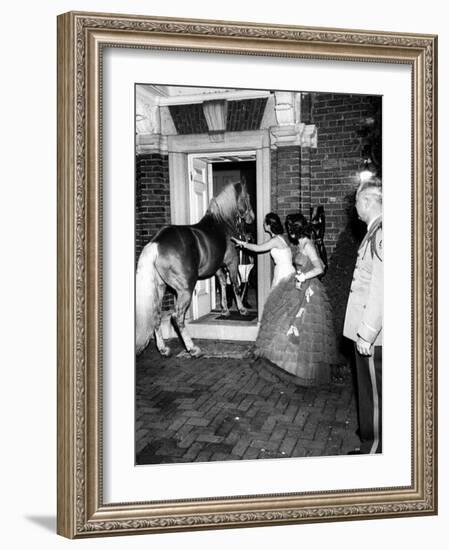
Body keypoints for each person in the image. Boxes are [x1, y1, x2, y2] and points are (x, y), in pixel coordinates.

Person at [245, 213, 339, 386]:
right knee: (285, 324)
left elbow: (320, 268)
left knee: (304, 330)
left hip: (309, 291)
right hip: (297, 287)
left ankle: (302, 372)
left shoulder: (308, 244)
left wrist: (304, 277)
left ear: (297, 228)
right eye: (288, 228)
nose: (289, 231)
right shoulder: (300, 243)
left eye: (291, 228)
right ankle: (285, 364)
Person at [343, 178, 383, 454]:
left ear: (367, 201)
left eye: (357, 201)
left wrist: (367, 332)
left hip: (374, 336)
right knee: (369, 394)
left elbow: (382, 286)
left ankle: (375, 452)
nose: (354, 207)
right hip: (371, 333)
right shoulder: (375, 232)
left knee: (376, 398)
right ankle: (370, 442)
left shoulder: (381, 233)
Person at [232, 212, 295, 288]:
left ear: (269, 226)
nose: (263, 225)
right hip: (287, 270)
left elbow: (257, 248)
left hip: (283, 272)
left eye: (264, 223)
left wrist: (242, 243)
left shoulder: (275, 240)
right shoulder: (281, 237)